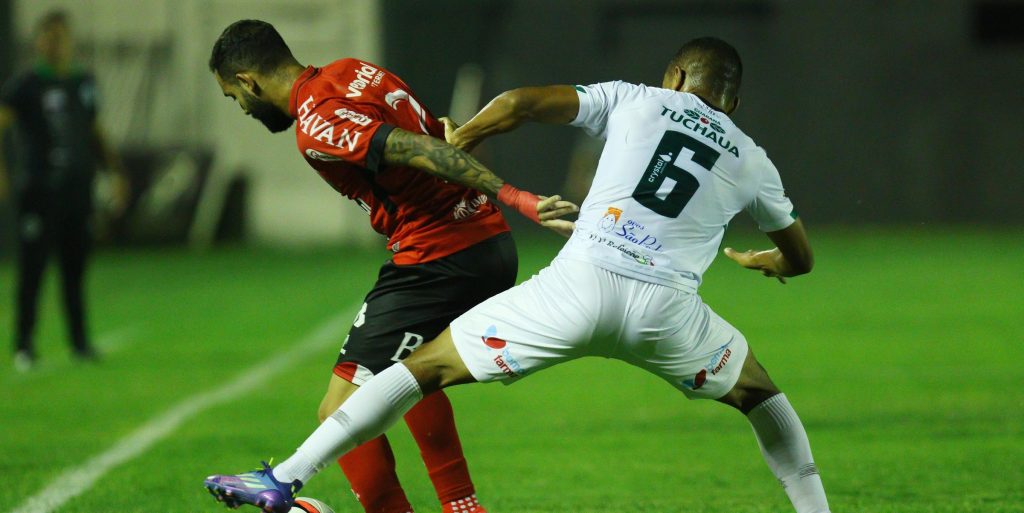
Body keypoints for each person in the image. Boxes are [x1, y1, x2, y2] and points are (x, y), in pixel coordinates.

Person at [205, 37, 830, 513]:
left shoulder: (637, 98)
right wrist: (771, 261)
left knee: (422, 369)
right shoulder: (753, 159)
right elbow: (800, 256)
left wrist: (467, 136)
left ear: (675, 77)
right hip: (666, 313)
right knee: (761, 396)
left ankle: (285, 477)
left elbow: (520, 104)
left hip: (577, 288)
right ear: (733, 103)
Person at [204, 20, 576, 513]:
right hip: (484, 240)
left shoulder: (318, 125)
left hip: (438, 257)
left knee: (339, 412)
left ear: (248, 81)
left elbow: (423, 148)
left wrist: (516, 197)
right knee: (412, 376)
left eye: (234, 97)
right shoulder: (352, 70)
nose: (242, 108)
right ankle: (462, 506)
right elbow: (434, 128)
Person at [0, 10, 127, 372]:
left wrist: (115, 171)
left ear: (70, 41)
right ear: (38, 42)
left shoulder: (82, 82)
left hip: (77, 190)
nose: (55, 43)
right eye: (49, 36)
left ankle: (80, 343)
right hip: (39, 190)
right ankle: (24, 345)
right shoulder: (25, 85)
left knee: (75, 268)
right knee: (33, 269)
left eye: (61, 37)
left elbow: (95, 129)